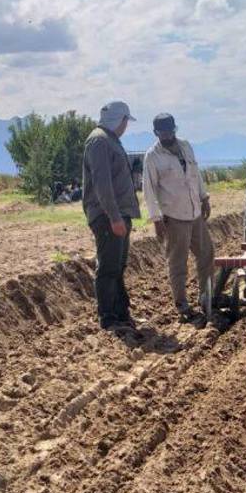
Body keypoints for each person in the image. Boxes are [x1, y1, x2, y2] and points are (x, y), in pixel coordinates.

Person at [141, 113, 214, 321]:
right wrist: (156, 219)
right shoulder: (153, 156)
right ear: (156, 133)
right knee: (178, 262)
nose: (167, 135)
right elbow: (149, 189)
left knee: (207, 254)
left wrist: (204, 197)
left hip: (195, 213)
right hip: (174, 217)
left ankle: (206, 296)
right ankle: (181, 304)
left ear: (175, 129)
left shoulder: (185, 146)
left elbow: (196, 175)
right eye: (162, 132)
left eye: (170, 131)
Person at [82, 101, 141, 331]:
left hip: (118, 215)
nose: (126, 126)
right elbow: (102, 185)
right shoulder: (99, 141)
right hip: (108, 217)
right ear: (120, 120)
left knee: (118, 266)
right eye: (126, 121)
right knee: (108, 267)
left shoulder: (110, 140)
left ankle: (122, 314)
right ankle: (108, 318)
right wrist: (115, 217)